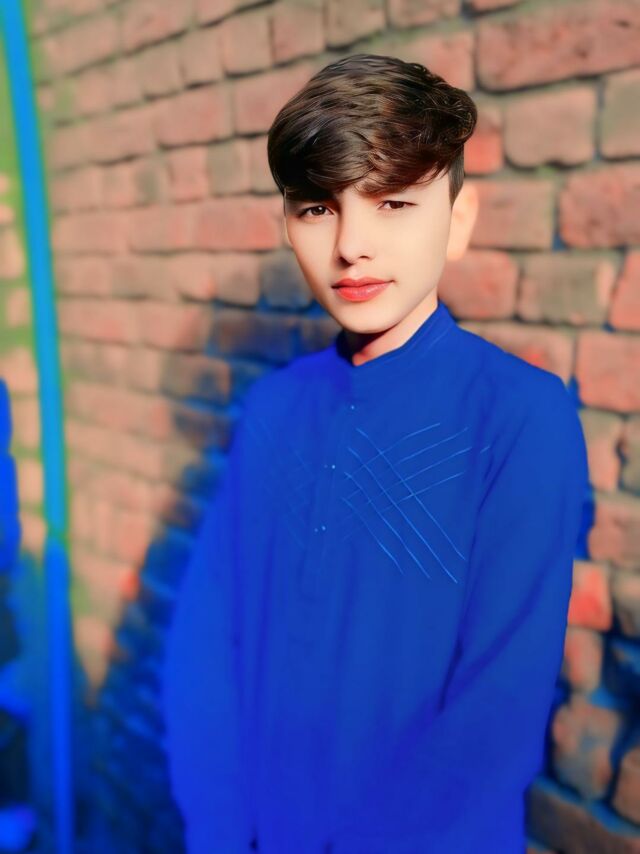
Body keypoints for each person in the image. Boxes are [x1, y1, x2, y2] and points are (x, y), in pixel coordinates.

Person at [161, 53, 589, 854]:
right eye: (318, 208)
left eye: (393, 203)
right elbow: (204, 645)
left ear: (458, 220)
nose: (353, 244)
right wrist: (218, 829)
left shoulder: (519, 416)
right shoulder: (274, 409)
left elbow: (497, 714)